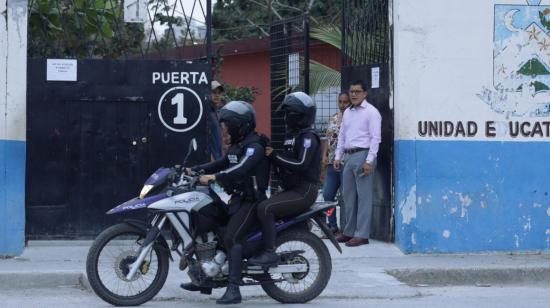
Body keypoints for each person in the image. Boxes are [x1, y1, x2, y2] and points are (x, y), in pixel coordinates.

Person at [182, 101, 271, 305]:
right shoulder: (238, 145)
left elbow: (240, 169)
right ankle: (205, 280)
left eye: (228, 125)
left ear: (240, 125)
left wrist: (214, 178)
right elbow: (220, 163)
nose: (225, 129)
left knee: (232, 238)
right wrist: (195, 170)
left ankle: (234, 290)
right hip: (237, 199)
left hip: (252, 201)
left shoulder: (255, 146)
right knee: (215, 229)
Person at [248, 92, 321, 266]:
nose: (287, 117)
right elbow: (284, 159)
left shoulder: (308, 138)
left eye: (290, 113)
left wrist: (274, 156)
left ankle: (269, 252)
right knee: (257, 206)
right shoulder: (292, 135)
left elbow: (301, 163)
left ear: (301, 115)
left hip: (304, 191)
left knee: (265, 209)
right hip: (291, 189)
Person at [333, 80, 382, 247]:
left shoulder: (371, 112)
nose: (354, 94)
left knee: (364, 197)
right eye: (352, 91)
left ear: (365, 93)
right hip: (348, 156)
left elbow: (376, 138)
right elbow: (342, 136)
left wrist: (370, 160)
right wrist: (338, 157)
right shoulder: (347, 112)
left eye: (357, 91)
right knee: (348, 197)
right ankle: (348, 231)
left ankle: (362, 234)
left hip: (363, 155)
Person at [321, 93, 351, 235]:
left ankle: (346, 227)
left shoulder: (353, 118)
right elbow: (328, 138)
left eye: (345, 102)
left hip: (346, 162)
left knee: (346, 196)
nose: (342, 104)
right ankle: (332, 226)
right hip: (332, 163)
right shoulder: (333, 117)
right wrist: (324, 154)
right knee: (328, 195)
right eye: (340, 101)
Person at [207, 80, 225, 160]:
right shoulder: (206, 112)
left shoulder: (217, 112)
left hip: (218, 158)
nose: (217, 95)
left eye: (219, 93)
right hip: (210, 160)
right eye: (214, 92)